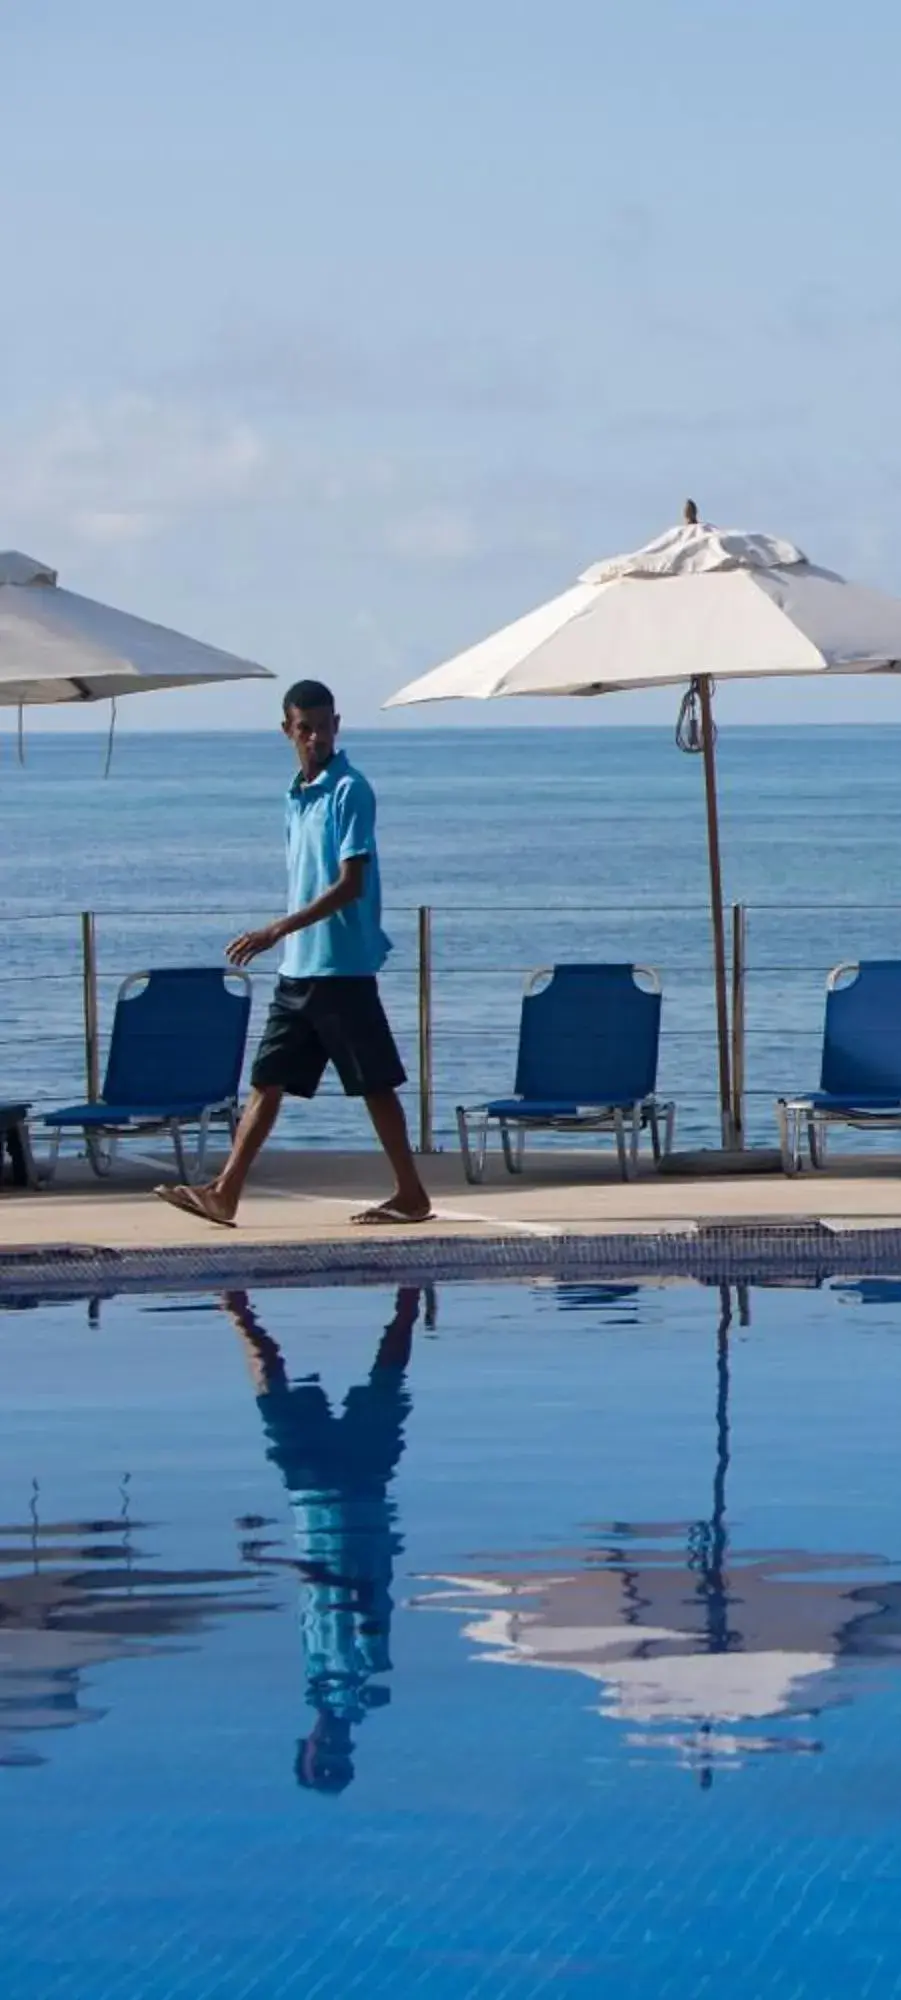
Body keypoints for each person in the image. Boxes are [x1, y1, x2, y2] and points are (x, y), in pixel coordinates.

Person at [160, 680, 430, 1227]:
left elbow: (351, 883)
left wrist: (276, 930)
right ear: (288, 730)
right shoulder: (295, 794)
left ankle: (411, 1194)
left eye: (324, 726)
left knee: (374, 1084)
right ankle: (225, 1192)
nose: (315, 737)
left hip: (341, 968)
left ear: (337, 724)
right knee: (267, 1081)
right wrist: (285, 942)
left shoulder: (350, 790)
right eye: (304, 728)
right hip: (297, 971)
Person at [225, 1288, 420, 1794]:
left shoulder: (315, 1679)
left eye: (322, 1755)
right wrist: (277, 1561)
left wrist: (287, 1561)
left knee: (271, 1382)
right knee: (386, 1378)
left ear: (306, 1747)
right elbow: (358, 1594)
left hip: (311, 1496)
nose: (330, 1745)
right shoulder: (366, 1676)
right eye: (338, 1754)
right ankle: (410, 1294)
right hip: (359, 1490)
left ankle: (235, 1304)